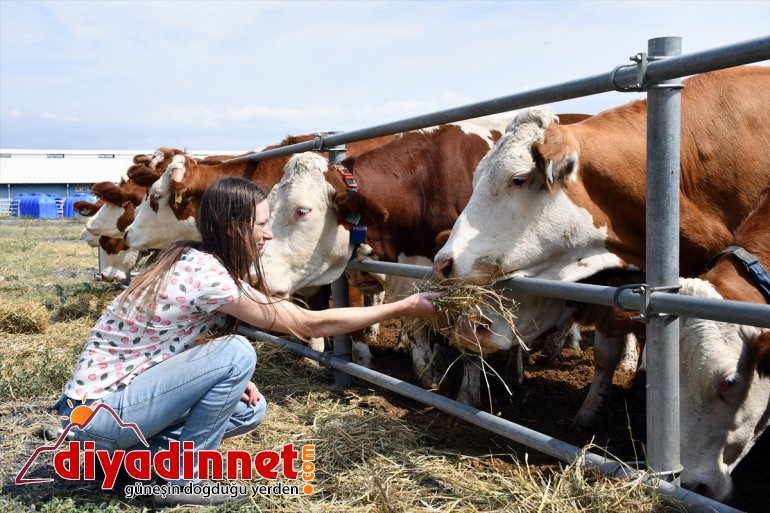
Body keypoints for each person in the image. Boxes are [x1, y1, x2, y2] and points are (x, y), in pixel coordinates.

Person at [55, 176, 439, 507]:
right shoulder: (209, 276)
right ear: (232, 227)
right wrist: (404, 305)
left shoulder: (190, 259)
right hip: (94, 418)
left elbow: (171, 338)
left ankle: (131, 467)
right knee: (237, 352)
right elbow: (308, 323)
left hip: (104, 412)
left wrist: (221, 379)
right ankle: (182, 478)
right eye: (262, 224)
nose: (269, 234)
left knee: (248, 409)